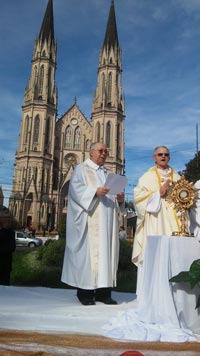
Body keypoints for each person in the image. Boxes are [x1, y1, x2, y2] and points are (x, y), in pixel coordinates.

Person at [61, 142, 124, 305]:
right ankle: (85, 294)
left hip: (107, 225)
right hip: (90, 223)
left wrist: (120, 200)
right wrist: (94, 192)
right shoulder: (81, 169)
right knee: (88, 258)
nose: (104, 153)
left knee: (106, 256)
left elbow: (112, 198)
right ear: (91, 153)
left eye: (106, 151)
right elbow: (75, 190)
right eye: (100, 151)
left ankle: (104, 293)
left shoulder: (108, 173)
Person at [132, 146, 185, 296]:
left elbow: (186, 200)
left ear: (169, 157)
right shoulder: (147, 177)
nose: (163, 157)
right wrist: (157, 194)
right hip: (155, 222)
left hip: (174, 223)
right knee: (154, 257)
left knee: (172, 257)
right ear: (154, 157)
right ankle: (150, 294)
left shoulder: (177, 178)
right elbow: (138, 198)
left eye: (166, 154)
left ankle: (173, 294)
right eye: (160, 154)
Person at [0, 207, 16, 285]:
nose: (8, 219)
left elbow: (12, 248)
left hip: (5, 267)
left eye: (9, 217)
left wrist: (5, 230)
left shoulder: (10, 231)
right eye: (6, 217)